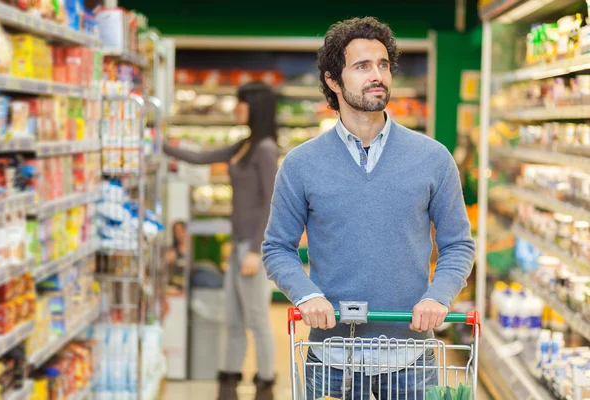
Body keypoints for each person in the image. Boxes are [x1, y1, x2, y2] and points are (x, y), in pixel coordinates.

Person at [262, 17, 475, 400]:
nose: (377, 75)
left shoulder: (433, 158)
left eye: (383, 65)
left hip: (411, 357)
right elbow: (277, 247)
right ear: (332, 80)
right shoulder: (300, 164)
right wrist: (306, 294)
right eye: (362, 66)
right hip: (331, 358)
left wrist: (438, 295)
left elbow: (458, 244)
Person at [163, 81, 278, 400]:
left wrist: (256, 250)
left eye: (241, 103)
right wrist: (160, 144)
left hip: (253, 248)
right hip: (238, 245)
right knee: (234, 319)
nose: (236, 108)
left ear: (255, 107)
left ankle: (266, 384)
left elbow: (272, 201)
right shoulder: (245, 145)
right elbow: (201, 158)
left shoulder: (265, 149)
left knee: (257, 320)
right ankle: (227, 386)